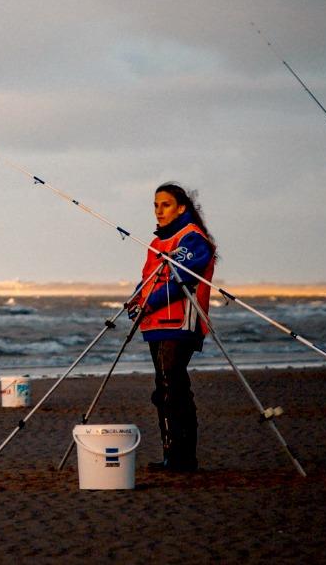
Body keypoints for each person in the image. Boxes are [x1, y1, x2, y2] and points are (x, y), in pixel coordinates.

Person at [128, 183, 216, 472]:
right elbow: (149, 278)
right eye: (155, 205)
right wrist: (136, 300)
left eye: (165, 205)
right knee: (165, 388)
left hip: (180, 323)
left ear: (181, 208)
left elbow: (182, 281)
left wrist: (149, 302)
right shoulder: (156, 244)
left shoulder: (193, 238)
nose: (159, 211)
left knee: (172, 386)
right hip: (155, 325)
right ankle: (173, 455)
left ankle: (182, 457)